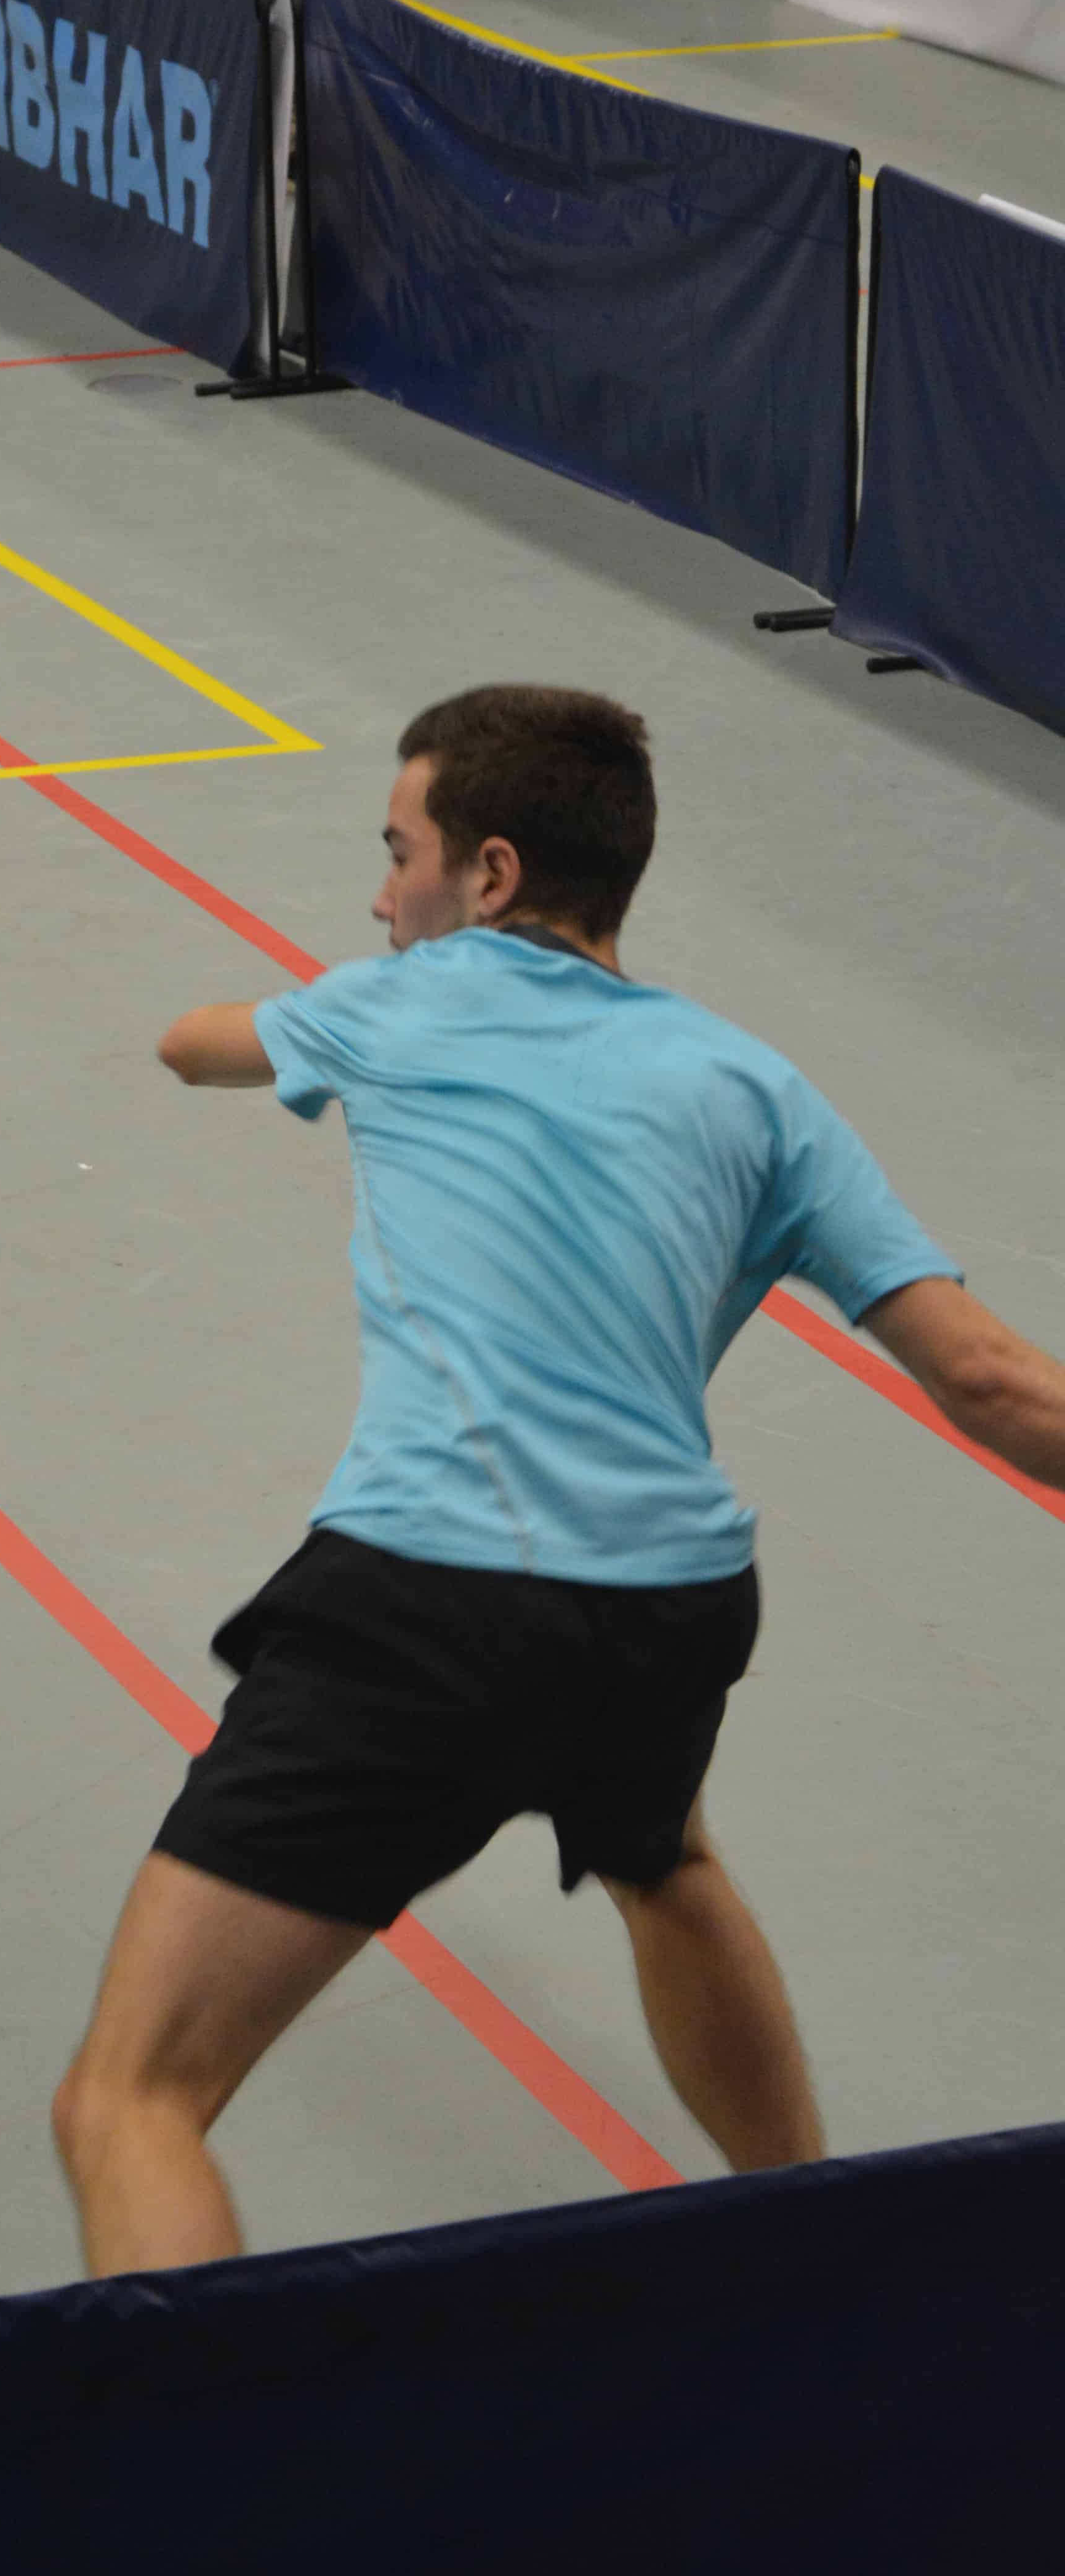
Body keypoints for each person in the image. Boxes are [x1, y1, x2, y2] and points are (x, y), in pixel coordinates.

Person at [52, 685, 1065, 2276]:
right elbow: (993, 1383)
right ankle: (812, 2266)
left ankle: (197, 2441)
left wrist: (300, 1021)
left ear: (492, 876)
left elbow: (192, 1047)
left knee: (129, 2099)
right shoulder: (753, 1084)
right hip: (667, 1610)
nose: (380, 896)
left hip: (426, 1603)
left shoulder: (396, 1000)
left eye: (399, 855)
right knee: (662, 1857)